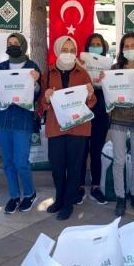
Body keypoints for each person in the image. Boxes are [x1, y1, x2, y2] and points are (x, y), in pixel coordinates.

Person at [41, 37, 96, 220]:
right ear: (57, 51)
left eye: (72, 50)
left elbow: (92, 103)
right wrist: (47, 99)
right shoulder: (48, 73)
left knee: (74, 167)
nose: (69, 53)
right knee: (57, 166)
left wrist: (90, 95)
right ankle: (59, 198)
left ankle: (68, 203)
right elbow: (42, 103)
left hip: (78, 128)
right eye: (65, 49)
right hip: (56, 127)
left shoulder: (83, 73)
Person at [0, 33, 41, 214]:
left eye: (16, 43)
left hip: (22, 121)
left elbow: (36, 95)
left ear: (23, 45)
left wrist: (35, 82)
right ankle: (13, 195)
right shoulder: (1, 67)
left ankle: (29, 193)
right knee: (8, 162)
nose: (12, 45)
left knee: (21, 162)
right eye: (9, 43)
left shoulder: (32, 67)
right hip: (3, 120)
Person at [101, 32, 134, 217]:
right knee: (119, 161)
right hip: (117, 120)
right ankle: (121, 198)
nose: (130, 49)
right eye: (126, 46)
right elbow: (108, 92)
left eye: (133, 45)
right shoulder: (114, 68)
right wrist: (104, 80)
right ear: (122, 49)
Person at [77, 33, 109, 205]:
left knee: (96, 150)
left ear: (103, 48)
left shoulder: (108, 66)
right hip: (84, 108)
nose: (95, 47)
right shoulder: (81, 64)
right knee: (81, 150)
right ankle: (80, 186)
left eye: (98, 44)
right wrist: (80, 69)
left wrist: (107, 78)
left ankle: (96, 186)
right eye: (92, 44)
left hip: (101, 110)